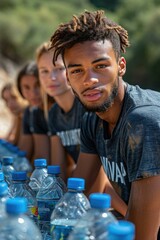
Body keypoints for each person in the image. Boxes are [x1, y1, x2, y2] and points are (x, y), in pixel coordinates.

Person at [49, 10, 160, 240]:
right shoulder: (93, 119)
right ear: (68, 79)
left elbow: (141, 235)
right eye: (77, 70)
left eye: (100, 66)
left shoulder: (144, 121)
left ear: (121, 66)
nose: (89, 79)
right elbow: (78, 194)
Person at [35, 42, 110, 199]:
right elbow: (58, 171)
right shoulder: (54, 114)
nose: (52, 77)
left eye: (59, 69)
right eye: (44, 71)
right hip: (81, 190)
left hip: (107, 192)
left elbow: (102, 169)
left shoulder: (88, 105)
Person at [16, 61, 51, 163]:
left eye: (37, 85)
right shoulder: (30, 112)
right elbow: (24, 151)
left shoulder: (59, 110)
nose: (33, 93)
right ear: (20, 90)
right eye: (26, 87)